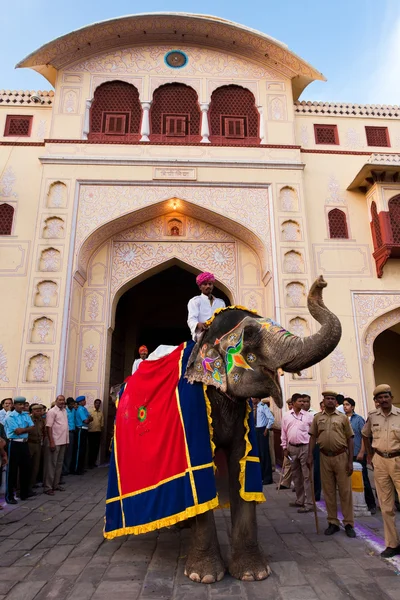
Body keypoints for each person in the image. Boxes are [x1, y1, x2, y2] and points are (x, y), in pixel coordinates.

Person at [307, 390, 356, 538]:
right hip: (324, 457)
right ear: (323, 401)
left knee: (345, 491)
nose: (329, 401)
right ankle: (332, 522)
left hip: (341, 456)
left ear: (336, 402)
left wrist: (350, 460)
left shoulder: (343, 418)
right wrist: (309, 455)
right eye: (327, 398)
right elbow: (313, 437)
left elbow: (350, 439)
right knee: (328, 491)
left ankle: (348, 523)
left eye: (332, 399)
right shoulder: (317, 418)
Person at [362, 384, 400, 558]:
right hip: (380, 461)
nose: (383, 400)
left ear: (391, 397)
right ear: (376, 401)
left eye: (386, 397)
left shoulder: (399, 415)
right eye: (380, 398)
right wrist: (370, 455)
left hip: (398, 460)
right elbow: (365, 434)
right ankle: (392, 544)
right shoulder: (372, 416)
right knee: (386, 505)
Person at [343, 397, 376, 514]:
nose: (345, 407)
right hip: (345, 454)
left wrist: (363, 451)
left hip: (357, 453)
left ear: (352, 407)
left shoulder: (358, 419)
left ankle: (371, 504)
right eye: (344, 405)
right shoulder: (342, 419)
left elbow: (364, 436)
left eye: (347, 405)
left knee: (364, 479)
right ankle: (354, 503)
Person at [281, 394, 314, 512]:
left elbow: (314, 433)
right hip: (292, 448)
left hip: (305, 447)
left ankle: (309, 503)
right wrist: (284, 447)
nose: (302, 403)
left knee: (307, 476)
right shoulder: (286, 416)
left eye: (303, 401)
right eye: (300, 401)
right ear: (294, 402)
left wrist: (311, 450)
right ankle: (300, 500)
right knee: (296, 475)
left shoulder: (309, 416)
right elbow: (283, 432)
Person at [3, 396, 35, 504]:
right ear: (14, 405)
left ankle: (23, 493)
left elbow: (32, 427)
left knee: (25, 468)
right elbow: (17, 431)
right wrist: (26, 429)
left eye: (23, 404)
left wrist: (24, 429)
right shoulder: (10, 417)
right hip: (14, 444)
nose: (22, 406)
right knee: (12, 470)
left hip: (24, 443)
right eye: (19, 404)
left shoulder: (25, 415)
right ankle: (9, 496)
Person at [187, 272, 226, 341]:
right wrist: (199, 325)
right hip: (201, 335)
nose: (208, 286)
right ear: (200, 287)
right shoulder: (195, 301)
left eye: (210, 284)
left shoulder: (220, 302)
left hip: (218, 336)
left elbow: (224, 319)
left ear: (212, 286)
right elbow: (191, 319)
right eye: (205, 284)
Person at [43, 395, 69, 495]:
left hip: (63, 441)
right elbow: (48, 427)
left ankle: (55, 484)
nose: (62, 402)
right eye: (60, 400)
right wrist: (51, 442)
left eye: (63, 400)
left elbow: (65, 427)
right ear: (56, 401)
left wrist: (67, 441)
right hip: (54, 441)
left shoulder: (64, 411)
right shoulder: (52, 411)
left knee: (59, 464)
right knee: (51, 465)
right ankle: (47, 487)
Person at [277, 395, 298, 491]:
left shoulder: (305, 414)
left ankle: (298, 484)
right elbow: (283, 431)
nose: (290, 406)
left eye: (291, 404)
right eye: (289, 404)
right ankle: (285, 483)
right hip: (289, 444)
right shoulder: (286, 415)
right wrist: (284, 445)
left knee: (298, 466)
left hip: (300, 444)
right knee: (287, 464)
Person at [252, 398, 274, 485]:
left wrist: (266, 429)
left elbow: (271, 418)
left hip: (262, 430)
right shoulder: (253, 407)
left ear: (257, 398)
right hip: (255, 430)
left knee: (264, 453)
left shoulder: (263, 406)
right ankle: (260, 476)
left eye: (253, 398)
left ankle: (267, 477)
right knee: (258, 454)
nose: (252, 399)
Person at [28, 403, 46, 492]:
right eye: (37, 411)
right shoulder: (29, 419)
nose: (39, 412)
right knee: (28, 466)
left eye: (40, 411)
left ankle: (31, 485)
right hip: (30, 444)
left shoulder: (41, 420)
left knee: (36, 466)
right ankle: (22, 487)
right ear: (32, 411)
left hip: (38, 444)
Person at [73, 396, 92, 475]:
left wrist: (89, 418)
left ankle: (81, 467)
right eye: (83, 401)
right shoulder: (80, 409)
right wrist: (89, 418)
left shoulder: (84, 409)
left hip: (84, 429)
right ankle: (77, 468)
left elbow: (91, 418)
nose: (85, 402)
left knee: (83, 449)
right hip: (81, 429)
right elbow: (86, 420)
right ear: (80, 402)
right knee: (79, 450)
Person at [88, 399, 104, 468]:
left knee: (96, 448)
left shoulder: (101, 413)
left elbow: (102, 424)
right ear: (94, 403)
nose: (98, 404)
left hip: (98, 432)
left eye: (99, 403)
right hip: (91, 432)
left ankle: (93, 462)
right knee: (91, 448)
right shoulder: (90, 411)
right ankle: (89, 463)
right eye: (97, 403)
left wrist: (101, 433)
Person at [62, 397, 76, 476]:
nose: (72, 405)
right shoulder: (65, 411)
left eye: (73, 404)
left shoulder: (74, 410)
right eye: (71, 404)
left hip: (72, 432)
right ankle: (64, 469)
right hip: (66, 432)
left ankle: (67, 468)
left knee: (69, 452)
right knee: (65, 451)